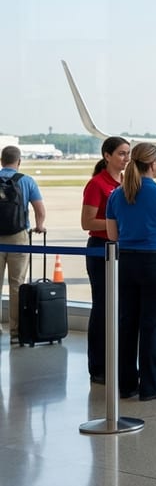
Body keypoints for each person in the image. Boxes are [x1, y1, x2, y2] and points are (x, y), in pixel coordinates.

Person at [105, 142, 156, 401]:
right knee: (151, 326)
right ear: (153, 164)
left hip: (126, 264)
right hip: (155, 265)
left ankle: (127, 384)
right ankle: (150, 386)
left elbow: (112, 235)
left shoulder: (117, 195)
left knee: (127, 324)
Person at [80, 136, 131, 382]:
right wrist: (118, 223)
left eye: (128, 154)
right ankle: (98, 367)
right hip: (101, 249)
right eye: (121, 153)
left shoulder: (126, 182)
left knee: (121, 308)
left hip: (121, 249)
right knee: (102, 306)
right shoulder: (97, 184)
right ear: (107, 156)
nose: (126, 159)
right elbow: (87, 222)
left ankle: (118, 364)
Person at [0, 146, 47, 345]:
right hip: (18, 237)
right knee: (16, 285)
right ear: (19, 162)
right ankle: (15, 332)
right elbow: (39, 209)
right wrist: (39, 226)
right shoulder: (26, 181)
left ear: (1, 161)